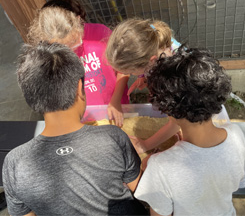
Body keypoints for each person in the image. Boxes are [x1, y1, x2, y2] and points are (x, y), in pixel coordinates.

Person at [2, 42, 148, 216]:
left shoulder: (13, 164)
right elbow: (142, 192)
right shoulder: (113, 137)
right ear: (80, 88)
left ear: (30, 97)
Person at [134, 47, 245, 216]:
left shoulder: (160, 167)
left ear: (167, 110)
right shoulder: (236, 135)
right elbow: (239, 181)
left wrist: (150, 165)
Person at [27, 0, 129, 127]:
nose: (72, 49)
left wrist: (115, 101)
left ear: (78, 21)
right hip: (83, 117)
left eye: (74, 42)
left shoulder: (101, 33)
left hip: (116, 105)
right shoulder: (48, 54)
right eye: (64, 47)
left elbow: (124, 68)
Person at [105, 18, 181, 154]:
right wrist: (143, 77)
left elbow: (177, 123)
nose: (130, 74)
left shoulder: (171, 80)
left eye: (131, 72)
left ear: (151, 61)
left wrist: (144, 145)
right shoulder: (151, 38)